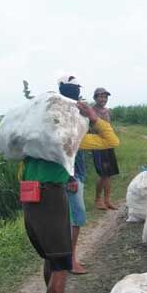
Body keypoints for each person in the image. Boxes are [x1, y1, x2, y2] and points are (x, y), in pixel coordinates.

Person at [22, 76, 120, 293]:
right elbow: (111, 141)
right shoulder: (69, 137)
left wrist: (66, 177)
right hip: (50, 199)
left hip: (30, 198)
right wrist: (91, 116)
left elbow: (24, 169)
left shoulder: (34, 139)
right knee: (62, 264)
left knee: (49, 257)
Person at [58, 77, 87, 275]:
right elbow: (62, 148)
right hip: (70, 174)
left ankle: (68, 257)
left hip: (76, 171)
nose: (76, 91)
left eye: (77, 88)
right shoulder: (63, 114)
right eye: (73, 88)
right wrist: (70, 176)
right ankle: (71, 260)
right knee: (75, 217)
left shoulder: (71, 111)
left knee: (71, 217)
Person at [91, 87, 119, 210]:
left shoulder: (107, 111)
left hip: (108, 145)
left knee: (109, 173)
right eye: (101, 97)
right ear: (95, 98)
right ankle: (97, 200)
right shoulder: (91, 111)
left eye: (105, 97)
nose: (103, 99)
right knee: (103, 174)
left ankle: (107, 200)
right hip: (97, 145)